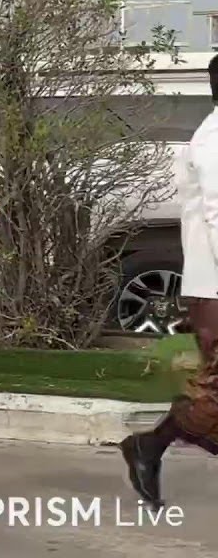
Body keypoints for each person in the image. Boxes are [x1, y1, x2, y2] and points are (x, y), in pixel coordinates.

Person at [121, 53, 218, 508]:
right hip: (214, 286)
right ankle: (149, 445)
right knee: (213, 393)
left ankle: (150, 445)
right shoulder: (213, 139)